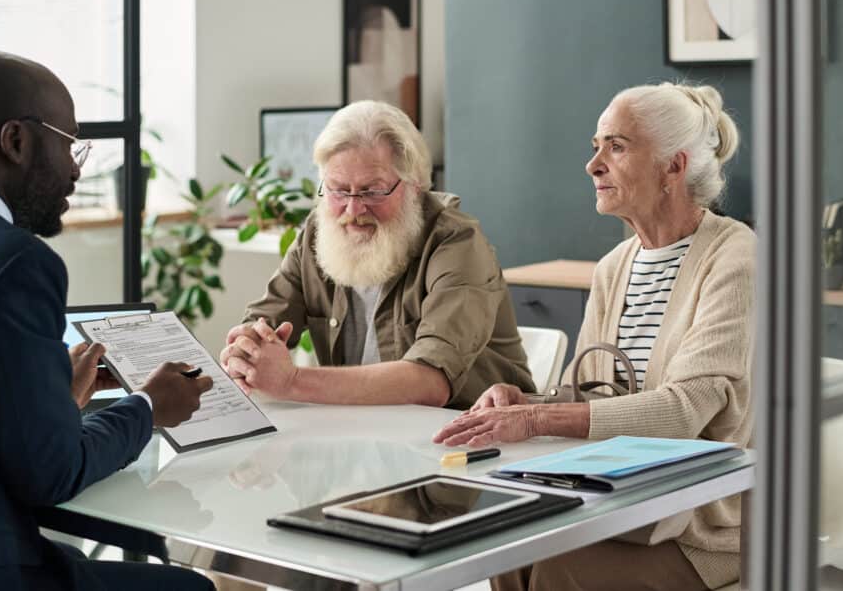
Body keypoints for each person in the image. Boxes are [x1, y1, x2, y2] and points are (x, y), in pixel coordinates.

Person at [0, 51, 215, 591]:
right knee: (190, 587)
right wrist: (147, 407)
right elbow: (50, 474)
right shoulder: (15, 262)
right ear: (17, 141)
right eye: (70, 143)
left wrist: (56, 400)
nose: (76, 167)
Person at [434, 82, 755, 591]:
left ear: (673, 166)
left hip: (701, 530)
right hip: (620, 507)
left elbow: (683, 410)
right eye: (596, 146)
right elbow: (589, 396)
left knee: (557, 570)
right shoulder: (613, 268)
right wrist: (525, 401)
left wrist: (537, 419)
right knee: (504, 553)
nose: (594, 164)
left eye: (617, 146)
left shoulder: (736, 257)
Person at [220, 100, 534, 410]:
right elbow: (264, 321)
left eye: (372, 191)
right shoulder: (318, 233)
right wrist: (248, 349)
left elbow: (431, 381)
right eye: (338, 190)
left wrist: (292, 381)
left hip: (467, 438)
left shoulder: (456, 243)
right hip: (364, 438)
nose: (353, 210)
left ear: (414, 186)